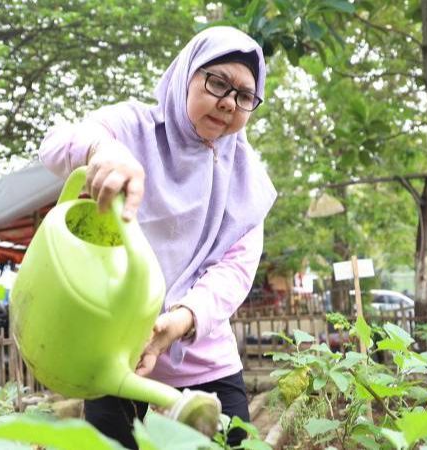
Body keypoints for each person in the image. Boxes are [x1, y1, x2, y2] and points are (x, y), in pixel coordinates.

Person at [39, 26, 276, 448]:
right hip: (117, 354)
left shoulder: (248, 178)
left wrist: (179, 322)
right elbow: (56, 145)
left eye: (244, 96)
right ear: (186, 75)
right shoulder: (134, 128)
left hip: (203, 359)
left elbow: (235, 269)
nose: (228, 102)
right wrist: (103, 152)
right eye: (217, 82)